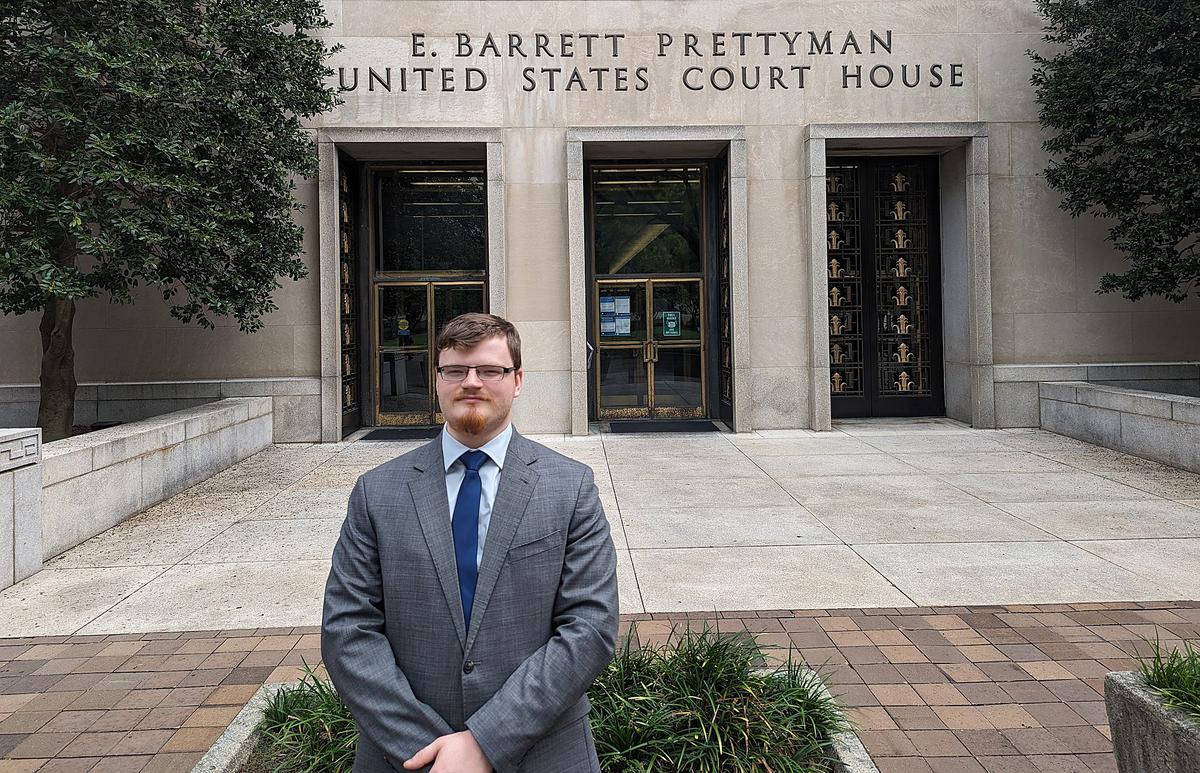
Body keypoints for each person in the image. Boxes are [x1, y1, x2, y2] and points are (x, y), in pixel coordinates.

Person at [322, 313, 619, 773]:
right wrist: (429, 748)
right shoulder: (376, 492)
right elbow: (347, 631)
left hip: (543, 754)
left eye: (490, 370)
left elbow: (590, 627)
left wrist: (484, 742)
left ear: (517, 380)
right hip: (405, 757)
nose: (471, 383)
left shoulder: (571, 487)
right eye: (456, 370)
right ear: (437, 379)